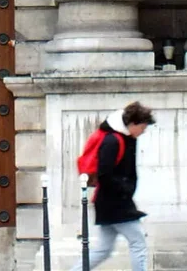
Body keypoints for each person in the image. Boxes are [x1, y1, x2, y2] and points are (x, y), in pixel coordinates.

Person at [74, 102, 156, 271]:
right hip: (115, 203)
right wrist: (125, 189)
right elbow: (105, 174)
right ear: (133, 123)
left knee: (103, 250)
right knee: (138, 242)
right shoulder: (113, 141)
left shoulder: (124, 138)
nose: (144, 130)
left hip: (109, 202)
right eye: (142, 126)